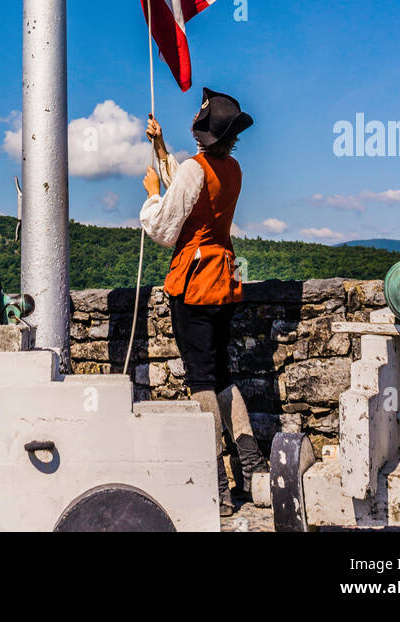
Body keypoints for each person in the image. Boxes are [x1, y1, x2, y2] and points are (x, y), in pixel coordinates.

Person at [139, 87, 267, 515]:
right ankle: (251, 469)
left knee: (202, 381)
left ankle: (216, 485)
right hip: (224, 279)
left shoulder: (196, 170)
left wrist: (153, 191)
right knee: (223, 373)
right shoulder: (233, 169)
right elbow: (194, 189)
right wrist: (160, 149)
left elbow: (163, 225)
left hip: (194, 284)